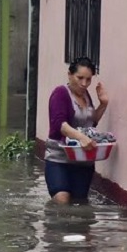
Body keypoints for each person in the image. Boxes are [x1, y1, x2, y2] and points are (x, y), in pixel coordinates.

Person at [43, 57, 109, 203]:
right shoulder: (60, 93)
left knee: (80, 203)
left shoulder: (86, 96)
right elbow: (60, 125)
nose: (84, 84)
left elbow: (91, 123)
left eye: (88, 79)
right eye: (80, 78)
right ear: (69, 74)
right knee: (62, 199)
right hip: (59, 158)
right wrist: (81, 138)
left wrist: (103, 104)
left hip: (83, 161)